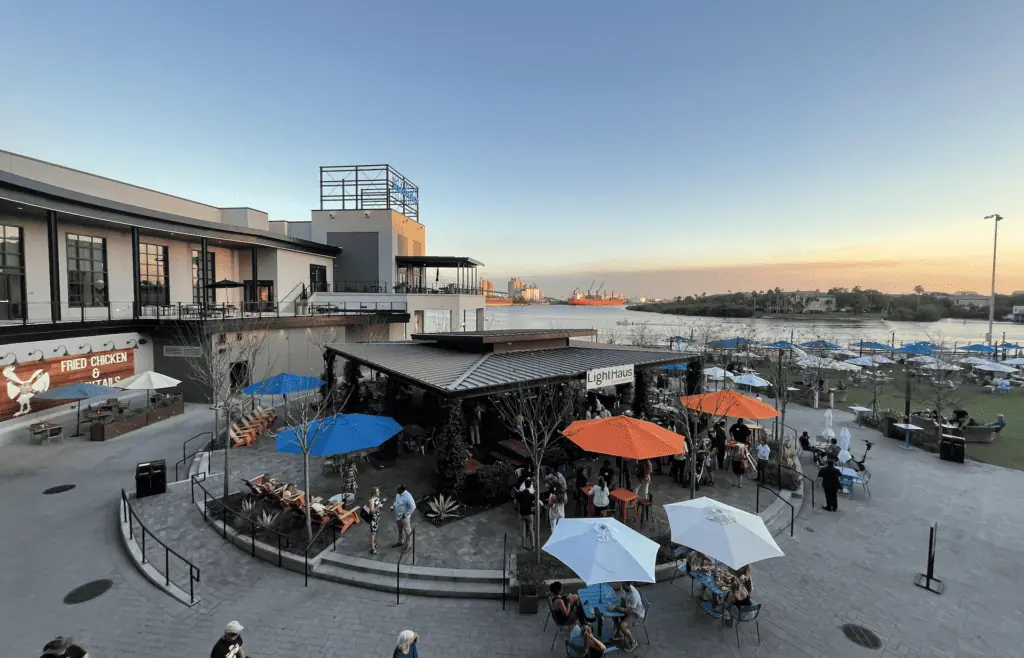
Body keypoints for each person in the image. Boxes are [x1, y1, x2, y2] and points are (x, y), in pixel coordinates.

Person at [609, 582, 642, 651]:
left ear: (629, 585)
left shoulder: (634, 595)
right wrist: (620, 605)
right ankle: (618, 634)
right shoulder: (623, 587)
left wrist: (615, 608)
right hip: (627, 607)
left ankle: (633, 642)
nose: (623, 587)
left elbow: (629, 611)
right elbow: (622, 599)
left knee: (623, 626)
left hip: (635, 613)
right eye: (622, 584)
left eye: (624, 586)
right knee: (614, 614)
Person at [391, 485, 416, 552]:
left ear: (402, 490)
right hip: (398, 516)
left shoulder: (408, 497)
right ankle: (400, 542)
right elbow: (396, 501)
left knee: (408, 532)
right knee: (400, 530)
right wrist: (393, 506)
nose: (396, 490)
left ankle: (409, 546)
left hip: (404, 517)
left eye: (398, 489)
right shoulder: (398, 494)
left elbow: (413, 507)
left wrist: (405, 515)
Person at [516, 480, 536, 550]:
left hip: (522, 514)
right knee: (531, 530)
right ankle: (533, 546)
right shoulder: (531, 496)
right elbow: (534, 502)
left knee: (523, 531)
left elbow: (517, 501)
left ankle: (524, 546)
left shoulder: (520, 494)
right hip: (529, 514)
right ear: (530, 485)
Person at [368, 487, 382, 554]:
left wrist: (380, 504)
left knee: (375, 531)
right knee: (373, 533)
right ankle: (372, 548)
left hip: (377, 518)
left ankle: (373, 543)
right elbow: (372, 511)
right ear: (374, 493)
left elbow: (378, 506)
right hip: (373, 519)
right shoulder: (371, 500)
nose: (379, 492)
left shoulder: (377, 498)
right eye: (377, 491)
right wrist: (379, 506)